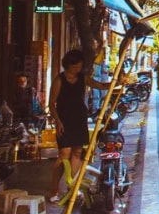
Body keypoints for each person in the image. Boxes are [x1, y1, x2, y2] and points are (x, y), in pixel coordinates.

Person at [47, 49, 112, 203]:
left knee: (77, 152)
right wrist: (58, 121)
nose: (76, 69)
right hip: (64, 119)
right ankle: (54, 189)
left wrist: (116, 82)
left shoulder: (83, 78)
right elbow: (51, 104)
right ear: (68, 65)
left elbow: (101, 86)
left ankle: (73, 187)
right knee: (64, 154)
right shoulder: (59, 80)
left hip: (79, 118)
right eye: (74, 67)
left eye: (79, 67)